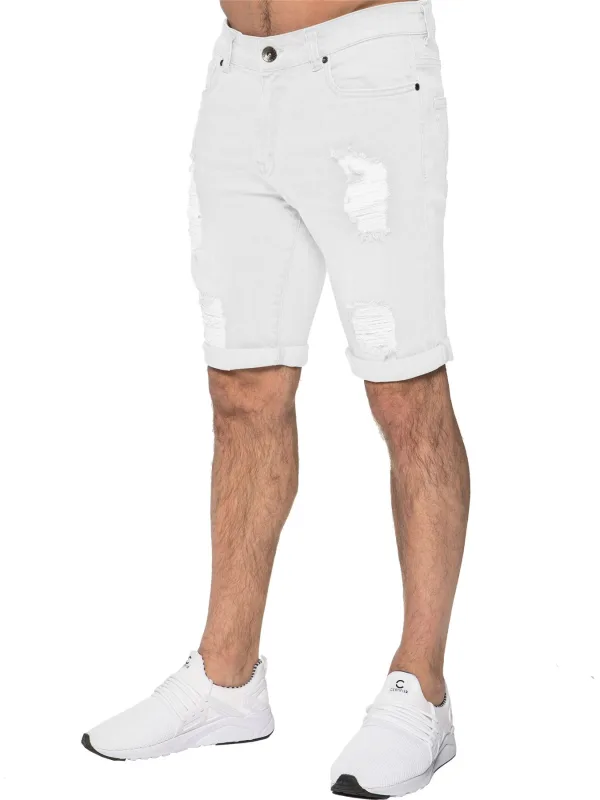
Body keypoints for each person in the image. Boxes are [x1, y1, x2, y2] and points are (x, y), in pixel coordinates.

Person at [81, 1, 470, 796]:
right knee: (242, 390)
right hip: (237, 79)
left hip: (369, 74)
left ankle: (422, 690)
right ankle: (226, 679)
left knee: (405, 388)